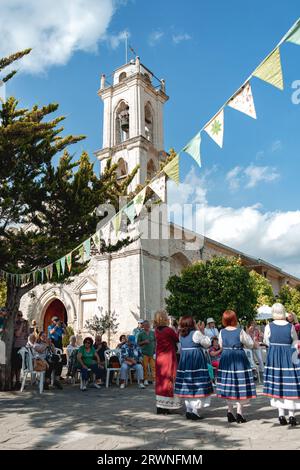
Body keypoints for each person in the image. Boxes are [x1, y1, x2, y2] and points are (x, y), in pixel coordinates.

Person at [263, 303, 300, 426]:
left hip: (274, 357)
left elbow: (266, 341)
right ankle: (291, 416)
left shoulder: (269, 326)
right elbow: (295, 341)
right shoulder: (290, 326)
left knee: (277, 384)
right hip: (288, 356)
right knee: (289, 383)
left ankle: (281, 415)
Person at [216, 310, 256, 423]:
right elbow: (250, 344)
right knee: (240, 383)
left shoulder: (222, 332)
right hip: (238, 357)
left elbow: (220, 345)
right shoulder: (240, 331)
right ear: (234, 319)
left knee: (228, 383)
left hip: (226, 357)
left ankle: (229, 411)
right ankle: (239, 413)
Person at [174, 316, 213, 420]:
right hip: (196, 361)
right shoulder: (196, 333)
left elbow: (179, 348)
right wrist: (200, 331)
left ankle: (188, 410)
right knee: (197, 383)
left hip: (185, 360)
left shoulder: (181, 335)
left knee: (187, 384)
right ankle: (194, 411)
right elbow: (207, 343)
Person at [154, 309, 181, 414]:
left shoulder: (156, 330)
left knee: (160, 381)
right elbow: (176, 339)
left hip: (160, 357)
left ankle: (160, 407)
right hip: (168, 357)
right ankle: (166, 407)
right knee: (168, 380)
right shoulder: (169, 330)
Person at [11, 311, 29, 390]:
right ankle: (13, 382)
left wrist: (26, 325)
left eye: (21, 315)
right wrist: (21, 324)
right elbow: (17, 334)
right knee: (15, 366)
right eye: (19, 315)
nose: (20, 317)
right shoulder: (14, 324)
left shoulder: (24, 324)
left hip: (23, 347)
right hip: (16, 347)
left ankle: (18, 382)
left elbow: (27, 335)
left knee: (19, 366)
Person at [137, 320, 156, 385]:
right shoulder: (141, 334)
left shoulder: (152, 333)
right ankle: (145, 379)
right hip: (144, 353)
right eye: (146, 325)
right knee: (145, 367)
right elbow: (138, 343)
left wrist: (155, 349)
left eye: (148, 325)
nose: (147, 326)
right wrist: (144, 342)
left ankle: (154, 380)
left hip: (152, 353)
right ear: (143, 326)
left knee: (153, 367)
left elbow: (155, 342)